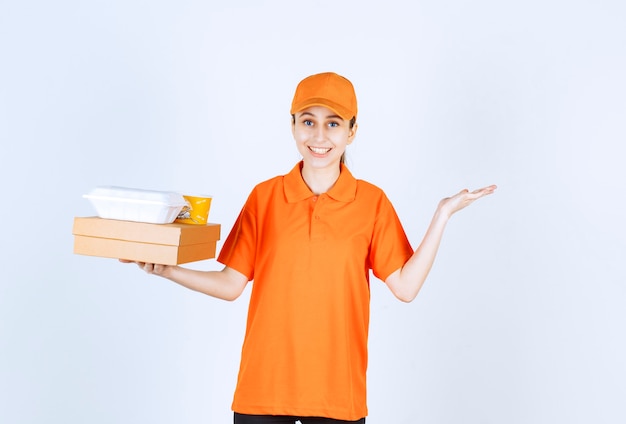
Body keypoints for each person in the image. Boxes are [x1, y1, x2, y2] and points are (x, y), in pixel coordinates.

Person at [122, 72, 496, 423]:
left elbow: (405, 287)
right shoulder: (265, 197)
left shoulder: (371, 202)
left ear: (352, 131)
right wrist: (167, 269)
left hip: (337, 393)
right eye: (308, 121)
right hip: (263, 390)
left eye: (333, 122)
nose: (319, 135)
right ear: (293, 126)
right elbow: (231, 285)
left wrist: (442, 214)